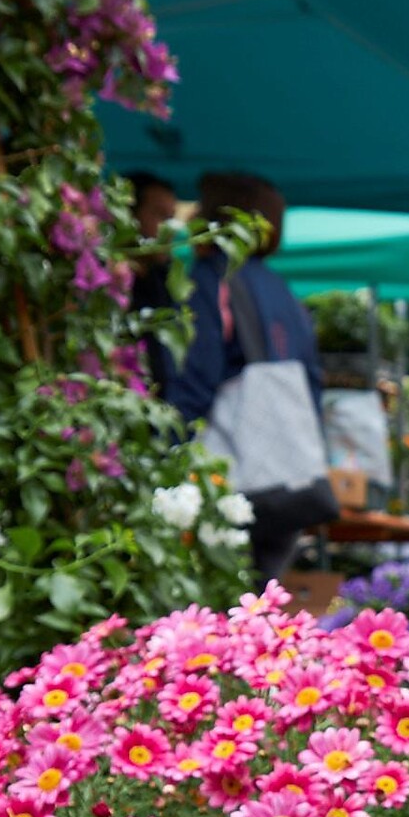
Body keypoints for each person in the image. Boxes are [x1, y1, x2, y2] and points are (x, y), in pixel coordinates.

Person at [168, 172, 324, 581]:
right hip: (291, 482)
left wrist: (166, 447)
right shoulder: (283, 291)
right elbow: (312, 385)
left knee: (213, 608)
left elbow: (198, 375)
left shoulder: (213, 280)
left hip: (233, 480)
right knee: (258, 611)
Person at [124, 171, 179, 398]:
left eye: (171, 218)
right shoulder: (106, 282)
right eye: (159, 215)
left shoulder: (168, 280)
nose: (169, 230)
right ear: (129, 216)